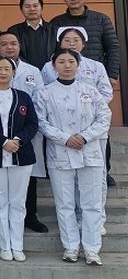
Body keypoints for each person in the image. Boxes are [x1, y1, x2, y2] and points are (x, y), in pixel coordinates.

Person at [35, 49, 111, 266]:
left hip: (90, 152)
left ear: (78, 65)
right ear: (53, 65)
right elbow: (41, 122)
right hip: (60, 153)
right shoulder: (44, 93)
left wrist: (84, 137)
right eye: (62, 61)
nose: (67, 65)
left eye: (71, 61)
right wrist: (66, 138)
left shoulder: (91, 91)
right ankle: (70, 246)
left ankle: (92, 248)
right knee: (64, 203)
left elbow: (104, 117)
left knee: (91, 204)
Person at [50, 0, 120, 187]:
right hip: (65, 82)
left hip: (94, 80)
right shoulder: (56, 22)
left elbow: (113, 47)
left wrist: (112, 74)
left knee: (99, 131)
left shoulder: (101, 19)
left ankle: (104, 171)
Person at [0, 31, 48, 233]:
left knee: (28, 177)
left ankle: (30, 216)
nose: (9, 47)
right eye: (4, 44)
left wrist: (24, 131)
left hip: (26, 133)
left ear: (19, 46)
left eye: (13, 43)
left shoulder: (32, 70)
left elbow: (39, 98)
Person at [0, 56, 39, 262]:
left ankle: (17, 245)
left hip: (21, 156)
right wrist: (3, 142)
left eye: (7, 69)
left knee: (18, 202)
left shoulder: (23, 97)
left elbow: (32, 124)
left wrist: (18, 140)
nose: (3, 72)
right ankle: (5, 246)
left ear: (13, 73)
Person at [8, 0, 57, 70]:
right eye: (27, 6)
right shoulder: (13, 31)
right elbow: (13, 54)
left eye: (35, 6)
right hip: (24, 72)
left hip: (51, 71)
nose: (32, 9)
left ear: (41, 7)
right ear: (21, 9)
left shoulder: (54, 30)